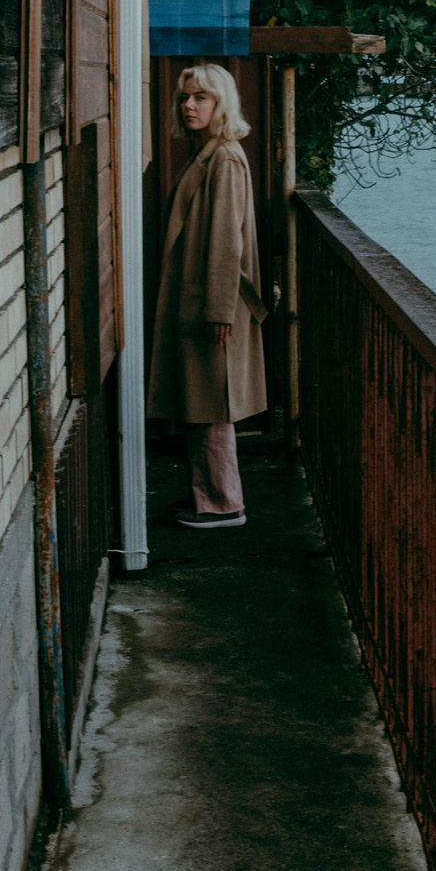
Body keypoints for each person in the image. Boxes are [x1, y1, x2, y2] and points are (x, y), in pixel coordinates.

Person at [147, 63, 270, 528]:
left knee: (213, 405)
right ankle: (209, 499)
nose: (189, 105)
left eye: (201, 97)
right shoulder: (209, 153)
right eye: (185, 97)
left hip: (214, 306)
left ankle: (224, 504)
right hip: (201, 301)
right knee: (203, 404)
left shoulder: (226, 158)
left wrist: (220, 310)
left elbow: (226, 241)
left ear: (221, 105)